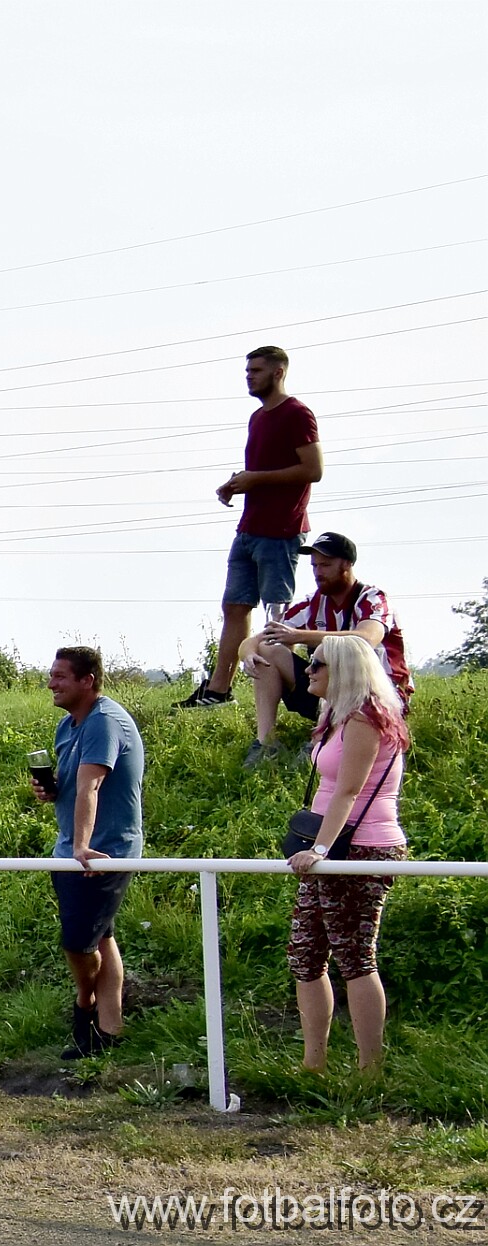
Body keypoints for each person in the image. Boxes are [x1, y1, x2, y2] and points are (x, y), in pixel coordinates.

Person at [287, 634, 411, 1074]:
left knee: (355, 956)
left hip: (362, 846)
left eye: (317, 663)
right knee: (305, 954)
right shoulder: (337, 717)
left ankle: (369, 1070)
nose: (308, 670)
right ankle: (313, 1065)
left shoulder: (364, 719)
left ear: (343, 669)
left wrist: (320, 848)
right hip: (331, 846)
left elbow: (349, 791)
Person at [179, 346, 324, 710]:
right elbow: (262, 471)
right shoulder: (257, 418)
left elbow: (313, 470)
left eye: (256, 370)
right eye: (247, 371)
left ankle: (291, 688)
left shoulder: (297, 413)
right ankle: (218, 691)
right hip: (249, 527)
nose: (249, 376)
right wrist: (236, 484)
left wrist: (255, 479)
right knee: (234, 607)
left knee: (277, 614)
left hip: (281, 529)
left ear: (278, 372)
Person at [29, 646, 144, 1060]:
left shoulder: (104, 722)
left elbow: (92, 786)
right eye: (51, 675)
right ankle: (110, 1030)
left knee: (79, 943)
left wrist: (81, 847)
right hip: (71, 852)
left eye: (60, 676)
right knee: (101, 936)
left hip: (103, 854)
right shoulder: (68, 725)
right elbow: (76, 785)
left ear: (87, 681)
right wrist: (50, 790)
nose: (51, 684)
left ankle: (85, 1005)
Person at [238, 532, 412, 766]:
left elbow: (366, 638)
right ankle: (266, 743)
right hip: (330, 691)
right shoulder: (313, 603)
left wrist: (299, 636)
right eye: (314, 566)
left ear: (347, 564)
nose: (318, 572)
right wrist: (249, 655)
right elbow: (255, 641)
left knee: (334, 661)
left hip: (378, 694)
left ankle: (323, 740)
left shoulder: (372, 599)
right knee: (266, 651)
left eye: (326, 565)